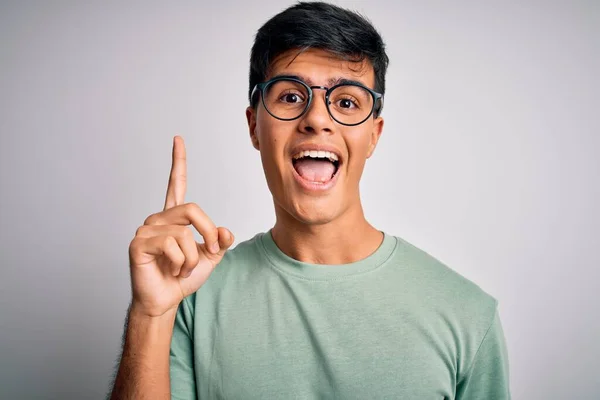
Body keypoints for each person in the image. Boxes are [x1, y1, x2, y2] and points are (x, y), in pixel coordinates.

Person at [110, 2, 511, 399]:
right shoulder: (189, 299)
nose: (317, 118)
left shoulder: (467, 316)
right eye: (290, 96)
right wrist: (150, 316)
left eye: (346, 101)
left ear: (374, 134)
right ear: (254, 126)